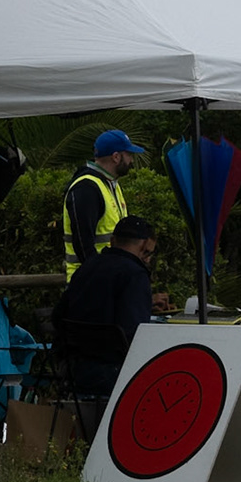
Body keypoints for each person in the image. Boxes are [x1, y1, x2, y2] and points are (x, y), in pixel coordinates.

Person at [52, 215, 166, 398]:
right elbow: (133, 333)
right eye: (149, 253)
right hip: (113, 374)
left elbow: (59, 315)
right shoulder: (135, 274)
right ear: (144, 246)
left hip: (72, 369)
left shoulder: (87, 267)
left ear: (113, 241)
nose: (148, 259)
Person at [63, 130, 147, 280]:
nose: (131, 160)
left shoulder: (109, 184)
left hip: (109, 278)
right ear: (116, 157)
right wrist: (101, 279)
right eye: (128, 155)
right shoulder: (86, 188)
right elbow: (84, 244)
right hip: (90, 283)